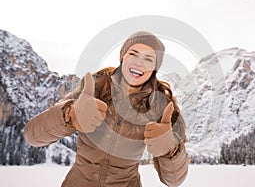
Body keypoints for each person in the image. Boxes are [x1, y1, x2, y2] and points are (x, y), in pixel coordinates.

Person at [24, 31, 188, 187]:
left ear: (155, 68)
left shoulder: (160, 105)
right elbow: (32, 136)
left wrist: (171, 150)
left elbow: (174, 181)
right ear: (123, 57)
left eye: (148, 59)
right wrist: (69, 114)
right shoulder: (95, 87)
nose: (138, 62)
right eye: (133, 54)